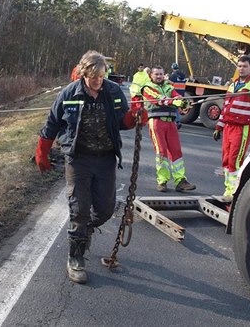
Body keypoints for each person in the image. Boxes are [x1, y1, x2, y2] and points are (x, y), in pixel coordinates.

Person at [34, 50, 147, 284]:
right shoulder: (68, 94)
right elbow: (52, 124)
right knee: (79, 208)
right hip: (79, 160)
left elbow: (122, 121)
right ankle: (75, 257)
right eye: (93, 77)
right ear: (84, 74)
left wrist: (135, 117)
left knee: (105, 209)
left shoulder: (113, 92)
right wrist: (42, 152)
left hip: (105, 158)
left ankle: (85, 230)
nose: (98, 81)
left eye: (101, 76)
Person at [131, 65, 196, 193]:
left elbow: (176, 96)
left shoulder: (169, 87)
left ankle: (180, 180)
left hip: (171, 123)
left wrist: (182, 102)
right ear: (151, 76)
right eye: (157, 74)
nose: (159, 76)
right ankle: (162, 181)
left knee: (176, 151)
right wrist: (174, 102)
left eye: (161, 74)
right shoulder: (147, 88)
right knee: (161, 152)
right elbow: (159, 100)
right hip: (156, 122)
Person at [213, 55, 250, 201]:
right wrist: (219, 126)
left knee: (235, 160)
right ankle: (228, 188)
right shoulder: (233, 84)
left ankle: (234, 192)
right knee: (226, 158)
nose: (241, 69)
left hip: (242, 127)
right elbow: (226, 107)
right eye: (239, 66)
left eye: (244, 66)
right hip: (228, 126)